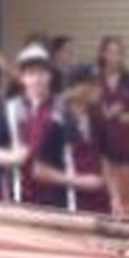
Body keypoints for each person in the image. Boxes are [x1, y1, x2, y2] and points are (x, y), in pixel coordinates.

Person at [33, 63, 112, 213]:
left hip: (100, 207)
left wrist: (115, 198)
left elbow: (105, 160)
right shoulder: (55, 122)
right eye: (92, 83)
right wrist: (78, 181)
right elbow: (39, 170)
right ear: (74, 89)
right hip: (69, 207)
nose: (98, 88)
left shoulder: (97, 119)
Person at [0, 45, 58, 204]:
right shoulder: (8, 110)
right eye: (30, 74)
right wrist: (9, 157)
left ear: (50, 75)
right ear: (22, 78)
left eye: (42, 72)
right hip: (19, 198)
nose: (37, 79)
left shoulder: (61, 109)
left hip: (58, 199)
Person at [97, 36, 129, 216]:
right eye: (111, 52)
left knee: (125, 193)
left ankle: (126, 232)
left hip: (125, 141)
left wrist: (127, 116)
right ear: (103, 54)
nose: (115, 57)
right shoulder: (95, 78)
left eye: (119, 53)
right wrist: (104, 113)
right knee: (104, 193)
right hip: (100, 142)